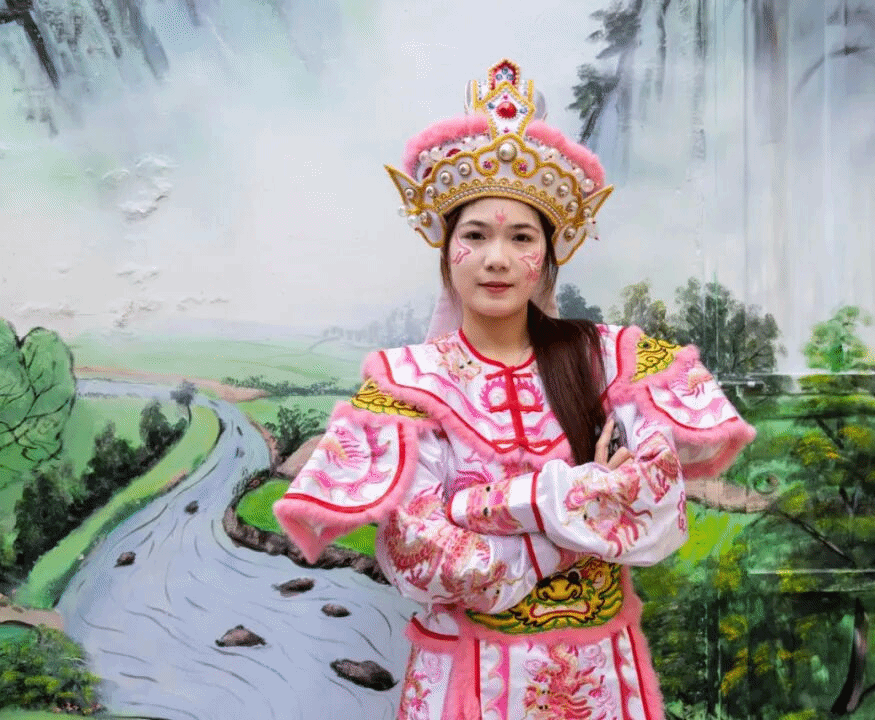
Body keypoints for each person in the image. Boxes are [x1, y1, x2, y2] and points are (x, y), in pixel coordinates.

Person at [273, 59, 758, 720]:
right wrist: (577, 508)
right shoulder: (407, 383)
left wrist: (477, 506)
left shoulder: (610, 358)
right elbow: (419, 554)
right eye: (475, 235)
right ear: (447, 250)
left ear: (548, 255)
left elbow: (657, 505)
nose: (497, 257)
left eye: (521, 237)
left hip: (600, 677)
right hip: (465, 674)